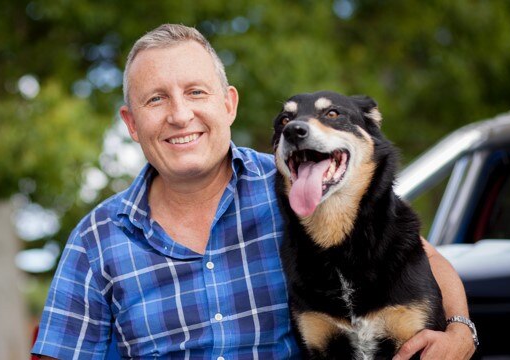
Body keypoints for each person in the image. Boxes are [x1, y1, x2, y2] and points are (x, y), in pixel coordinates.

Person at [32, 24, 476, 359]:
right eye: (156, 100)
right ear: (131, 124)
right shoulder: (97, 240)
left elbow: (422, 257)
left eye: (195, 92)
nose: (180, 115)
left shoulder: (304, 184)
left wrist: (459, 330)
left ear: (228, 104)